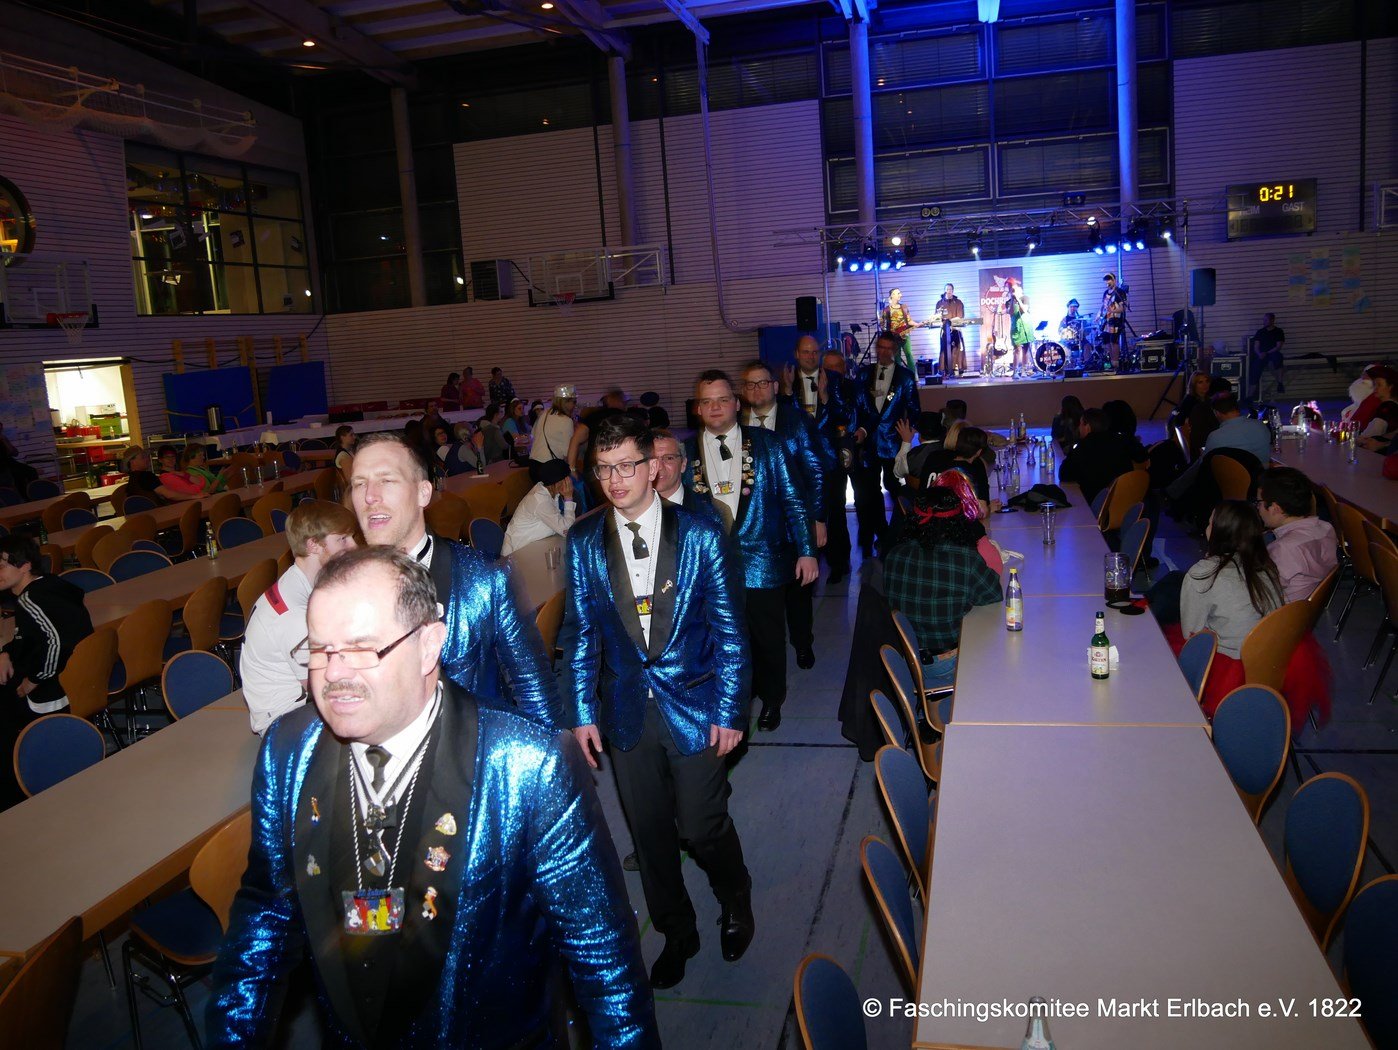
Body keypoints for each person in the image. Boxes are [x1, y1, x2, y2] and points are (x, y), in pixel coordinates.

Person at [206, 546, 657, 1048]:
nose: (333, 673)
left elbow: (603, 959)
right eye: (320, 650)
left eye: (361, 649)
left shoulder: (527, 765)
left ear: (428, 646)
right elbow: (265, 917)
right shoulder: (287, 752)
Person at [565, 415, 753, 990]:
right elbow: (581, 634)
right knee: (648, 836)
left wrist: (730, 710)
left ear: (652, 468)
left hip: (696, 705)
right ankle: (677, 930)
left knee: (701, 824)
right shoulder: (583, 541)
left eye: (626, 466)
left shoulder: (699, 532)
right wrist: (581, 712)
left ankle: (735, 895)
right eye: (603, 469)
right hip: (626, 713)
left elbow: (730, 630)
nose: (615, 480)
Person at [348, 431, 559, 727]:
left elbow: (533, 688)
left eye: (387, 480)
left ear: (423, 493)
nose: (369, 496)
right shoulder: (342, 589)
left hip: (469, 748)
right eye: (359, 483)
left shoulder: (486, 578)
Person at [685, 370, 816, 732]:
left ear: (736, 403)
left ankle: (772, 699)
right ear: (698, 409)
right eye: (707, 401)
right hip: (709, 569)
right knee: (721, 640)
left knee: (767, 637)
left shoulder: (768, 444)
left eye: (722, 399)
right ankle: (734, 699)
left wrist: (807, 550)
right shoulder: (683, 453)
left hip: (762, 561)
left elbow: (794, 499)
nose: (715, 407)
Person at [738, 359, 830, 669]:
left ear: (775, 386)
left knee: (798, 592)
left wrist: (817, 518)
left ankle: (803, 643)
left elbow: (815, 471)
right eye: (750, 384)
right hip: (752, 529)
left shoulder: (796, 420)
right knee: (760, 600)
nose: (757, 389)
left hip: (793, 525)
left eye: (763, 383)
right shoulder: (736, 425)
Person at [240, 501, 360, 736]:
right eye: (343, 539)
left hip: (299, 703)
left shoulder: (299, 582)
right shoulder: (295, 615)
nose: (354, 545)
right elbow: (323, 690)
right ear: (313, 545)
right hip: (284, 724)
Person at [0, 533, 94, 809]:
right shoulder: (50, 585)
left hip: (52, 691)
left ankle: (16, 798)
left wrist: (34, 680)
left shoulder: (30, 600)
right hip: (76, 678)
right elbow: (30, 637)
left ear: (25, 566)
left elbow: (56, 643)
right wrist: (5, 652)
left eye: (2, 566)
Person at [884, 484, 1003, 688]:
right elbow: (994, 594)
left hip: (907, 659)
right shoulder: (964, 559)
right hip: (945, 663)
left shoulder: (895, 555)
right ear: (958, 521)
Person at [1176, 501, 1284, 715]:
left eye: (1210, 523)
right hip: (1272, 660)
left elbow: (1191, 634)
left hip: (1231, 666)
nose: (1206, 528)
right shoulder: (1267, 566)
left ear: (1220, 532)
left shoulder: (1204, 573)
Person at [851, 330, 919, 559]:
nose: (883, 352)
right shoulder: (863, 374)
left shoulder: (905, 377)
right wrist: (857, 432)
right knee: (868, 493)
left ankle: (900, 534)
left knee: (896, 488)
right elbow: (856, 407)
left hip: (893, 442)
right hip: (868, 443)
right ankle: (876, 534)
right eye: (880, 347)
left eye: (888, 348)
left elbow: (914, 408)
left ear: (896, 350)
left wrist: (908, 433)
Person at [1255, 467, 1338, 602]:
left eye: (1259, 503)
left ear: (1275, 508)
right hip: (1309, 604)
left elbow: (1262, 590)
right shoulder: (1327, 528)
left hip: (1284, 609)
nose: (1258, 508)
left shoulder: (1282, 549)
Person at [1059, 407, 1146, 507]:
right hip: (1127, 501)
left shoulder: (1084, 446)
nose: (1079, 427)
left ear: (1087, 426)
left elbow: (1064, 474)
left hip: (1098, 505)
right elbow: (1142, 456)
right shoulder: (1122, 439)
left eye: (1080, 424)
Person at [501, 458, 576, 555]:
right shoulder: (541, 501)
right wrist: (568, 498)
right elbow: (567, 530)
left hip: (534, 547)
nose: (569, 482)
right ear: (558, 482)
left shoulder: (549, 491)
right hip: (517, 553)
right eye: (567, 479)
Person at [529, 385, 585, 481]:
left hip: (533, 468)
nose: (575, 405)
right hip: (550, 471)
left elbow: (533, 435)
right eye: (574, 402)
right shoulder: (566, 421)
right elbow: (568, 453)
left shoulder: (544, 413)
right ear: (565, 402)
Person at [122, 446, 201, 504]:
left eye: (173, 456)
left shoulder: (132, 479)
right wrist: (195, 496)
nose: (147, 459)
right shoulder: (146, 476)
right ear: (132, 462)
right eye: (143, 457)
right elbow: (169, 495)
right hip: (157, 515)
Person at [1358, 365, 1398, 451]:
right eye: (1374, 384)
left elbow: (1371, 432)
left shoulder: (1388, 407)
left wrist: (1354, 439)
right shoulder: (1392, 406)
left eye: (1379, 384)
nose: (1375, 388)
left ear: (1390, 387)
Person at [1248, 313, 1286, 402]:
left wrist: (1267, 352)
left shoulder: (1278, 331)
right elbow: (1256, 347)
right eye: (1263, 320)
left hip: (1272, 352)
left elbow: (1278, 346)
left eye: (1266, 320)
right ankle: (1250, 396)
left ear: (1272, 320)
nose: (1264, 322)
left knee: (1278, 358)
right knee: (1255, 368)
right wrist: (1259, 354)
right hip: (1262, 354)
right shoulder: (1260, 332)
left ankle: (1280, 383)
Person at [879, 288, 919, 371]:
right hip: (894, 337)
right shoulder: (886, 310)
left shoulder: (904, 307)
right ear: (892, 295)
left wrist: (917, 324)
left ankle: (913, 376)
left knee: (909, 354)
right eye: (898, 293)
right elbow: (882, 325)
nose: (901, 295)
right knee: (897, 358)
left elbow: (909, 321)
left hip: (905, 335)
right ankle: (900, 377)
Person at [1001, 277, 1032, 378]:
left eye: (1011, 287)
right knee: (1017, 349)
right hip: (1016, 327)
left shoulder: (1025, 298)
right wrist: (1012, 299)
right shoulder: (1008, 302)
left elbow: (1024, 310)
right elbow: (1010, 313)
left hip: (1025, 326)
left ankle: (1024, 370)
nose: (1010, 289)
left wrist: (1017, 299)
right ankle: (1015, 371)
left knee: (1025, 349)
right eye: (1008, 288)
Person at [933, 283, 965, 376]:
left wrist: (951, 323)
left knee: (956, 349)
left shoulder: (958, 302)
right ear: (944, 290)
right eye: (947, 289)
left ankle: (957, 370)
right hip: (944, 331)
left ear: (953, 291)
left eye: (950, 289)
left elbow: (960, 316)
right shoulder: (940, 303)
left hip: (956, 330)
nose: (949, 291)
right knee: (944, 350)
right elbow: (936, 317)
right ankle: (944, 371)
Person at [1099, 272, 1128, 369]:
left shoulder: (1120, 292)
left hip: (1116, 321)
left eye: (1109, 279)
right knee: (1106, 341)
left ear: (1114, 280)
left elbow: (1123, 308)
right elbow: (1103, 306)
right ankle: (1112, 362)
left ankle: (1116, 363)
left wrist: (1112, 310)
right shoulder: (1105, 293)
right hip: (1106, 321)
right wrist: (1099, 315)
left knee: (1114, 342)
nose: (1108, 282)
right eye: (1106, 280)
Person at [0, 421, 38, 493]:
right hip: (3, 466)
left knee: (32, 471)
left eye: (1, 429)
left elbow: (15, 453)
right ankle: (24, 495)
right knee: (17, 475)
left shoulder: (3, 438)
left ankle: (33, 492)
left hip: (9, 462)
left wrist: (4, 441)